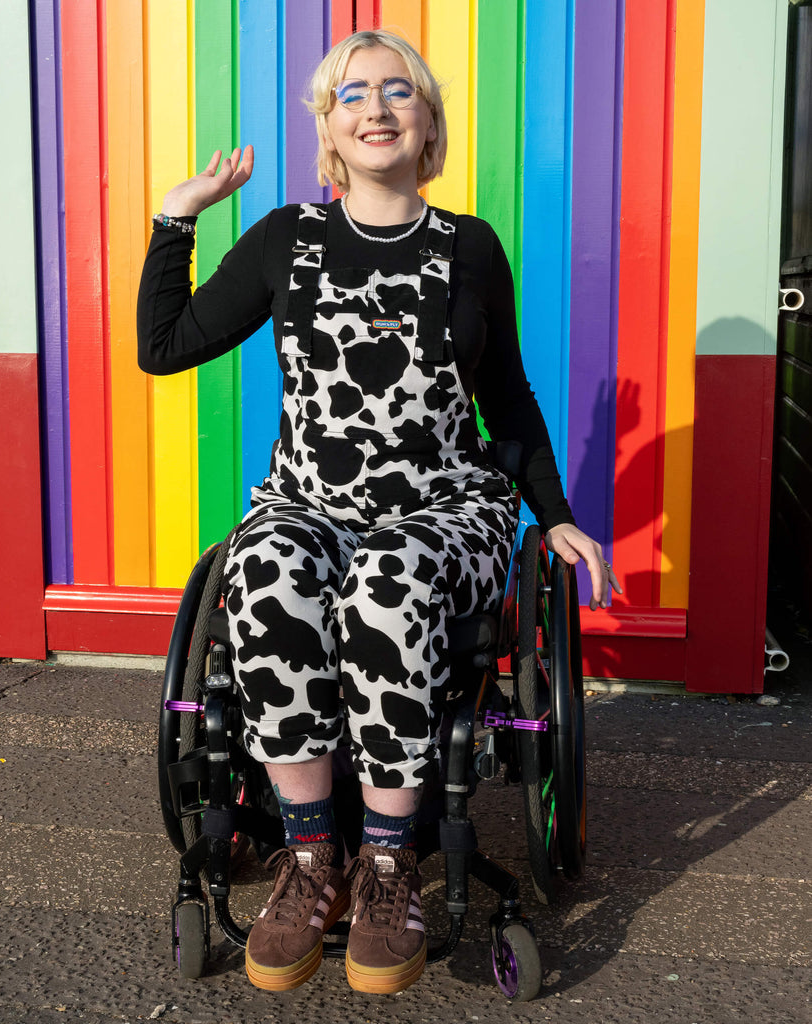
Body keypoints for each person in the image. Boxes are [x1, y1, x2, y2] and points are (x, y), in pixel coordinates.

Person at [138, 29, 620, 997]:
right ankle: (313, 858)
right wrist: (177, 217)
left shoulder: (468, 246)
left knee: (388, 581)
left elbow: (510, 395)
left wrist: (555, 512)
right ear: (330, 125)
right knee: (267, 571)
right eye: (353, 93)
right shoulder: (285, 237)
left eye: (399, 90)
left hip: (446, 507)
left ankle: (390, 865)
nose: (377, 106)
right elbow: (163, 348)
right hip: (310, 501)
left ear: (428, 121)